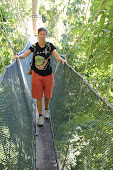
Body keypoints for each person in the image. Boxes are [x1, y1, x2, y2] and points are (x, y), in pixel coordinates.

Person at [14, 27, 67, 126]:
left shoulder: (50, 46)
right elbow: (25, 54)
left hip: (48, 75)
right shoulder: (34, 46)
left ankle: (46, 109)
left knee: (47, 95)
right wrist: (18, 56)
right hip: (37, 75)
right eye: (40, 34)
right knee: (38, 97)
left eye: (44, 34)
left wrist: (62, 60)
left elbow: (56, 55)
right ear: (38, 35)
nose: (42, 36)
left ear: (46, 36)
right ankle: (40, 116)